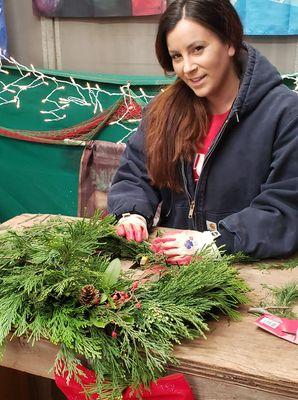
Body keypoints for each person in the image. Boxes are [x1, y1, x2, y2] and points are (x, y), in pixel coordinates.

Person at [107, 0, 298, 264]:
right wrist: (131, 213)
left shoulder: (285, 114)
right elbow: (134, 175)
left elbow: (285, 208)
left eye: (198, 49)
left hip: (251, 270)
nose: (187, 67)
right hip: (173, 269)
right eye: (176, 56)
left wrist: (217, 242)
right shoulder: (163, 111)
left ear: (230, 43)